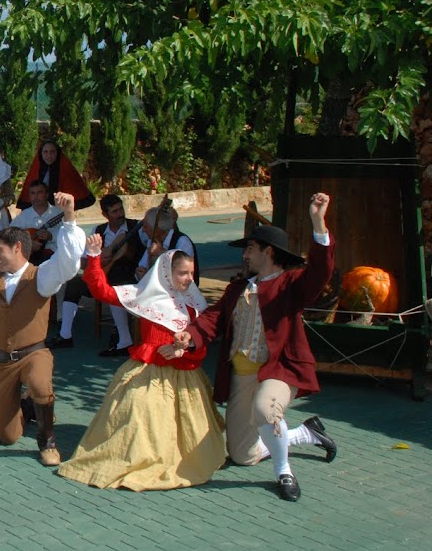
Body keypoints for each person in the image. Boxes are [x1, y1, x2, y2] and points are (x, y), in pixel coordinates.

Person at [174, 193, 339, 502]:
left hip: (277, 371)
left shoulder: (292, 285)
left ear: (269, 252)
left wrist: (318, 223)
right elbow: (214, 318)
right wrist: (190, 334)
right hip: (241, 375)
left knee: (266, 409)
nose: (245, 254)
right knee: (242, 454)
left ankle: (283, 472)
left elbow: (320, 273)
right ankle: (306, 434)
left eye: (250, 248)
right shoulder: (238, 287)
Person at [57, 234, 225, 490]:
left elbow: (202, 334)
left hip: (185, 373)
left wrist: (184, 348)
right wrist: (93, 257)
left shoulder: (194, 302)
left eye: (191, 273)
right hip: (149, 371)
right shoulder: (145, 295)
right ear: (168, 273)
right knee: (138, 418)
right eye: (182, 273)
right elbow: (100, 290)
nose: (189, 278)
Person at [0, 195, 85, 466]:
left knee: (41, 384)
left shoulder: (41, 276)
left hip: (33, 354)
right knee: (7, 436)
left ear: (17, 248)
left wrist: (69, 218)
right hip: (0, 364)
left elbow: (68, 263)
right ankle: (29, 407)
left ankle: (48, 441)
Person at [52, 194, 145, 353]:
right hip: (101, 278)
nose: (120, 214)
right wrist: (99, 259)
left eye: (120, 209)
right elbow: (82, 261)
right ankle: (65, 335)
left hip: (127, 279)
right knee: (74, 284)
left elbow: (151, 249)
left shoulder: (137, 228)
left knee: (114, 284)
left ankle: (124, 341)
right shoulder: (99, 231)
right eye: (114, 211)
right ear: (105, 214)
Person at [15, 139, 95, 211]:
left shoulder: (67, 170)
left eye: (52, 152)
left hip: (60, 215)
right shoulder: (35, 171)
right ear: (41, 153)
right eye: (45, 152)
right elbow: (28, 198)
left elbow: (81, 195)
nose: (49, 155)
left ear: (57, 153)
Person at [10, 179, 65, 265]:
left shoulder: (58, 213)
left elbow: (69, 235)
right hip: (30, 261)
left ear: (47, 194)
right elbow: (10, 235)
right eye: (32, 193)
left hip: (55, 259)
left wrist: (51, 236)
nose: (36, 197)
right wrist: (28, 244)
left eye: (39, 193)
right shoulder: (24, 215)